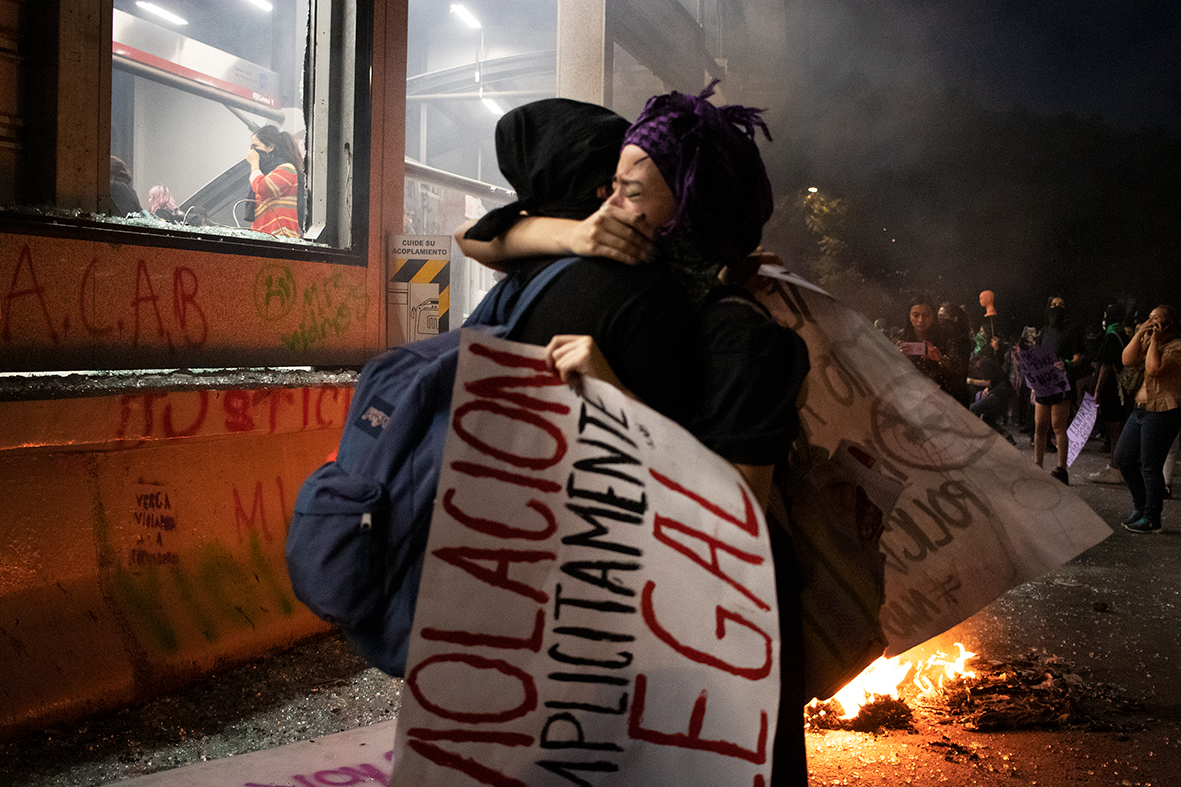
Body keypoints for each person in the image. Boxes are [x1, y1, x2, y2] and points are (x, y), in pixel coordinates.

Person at [460, 83, 809, 785]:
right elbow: (485, 239)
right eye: (607, 188)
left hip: (721, 648)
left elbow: (734, 520)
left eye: (629, 193)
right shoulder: (657, 290)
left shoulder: (740, 335)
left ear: (692, 208)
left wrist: (614, 394)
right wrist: (573, 233)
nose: (606, 209)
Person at [1113, 305, 1181, 533]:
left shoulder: (1176, 347)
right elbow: (1127, 360)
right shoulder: (1148, 339)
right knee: (1123, 458)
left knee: (1151, 467)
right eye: (1149, 318)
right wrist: (1142, 333)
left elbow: (1154, 369)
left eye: (1157, 320)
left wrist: (1154, 341)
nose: (1152, 323)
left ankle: (1152, 518)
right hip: (1140, 409)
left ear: (1169, 324)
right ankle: (1140, 507)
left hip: (1162, 411)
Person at [1033, 295, 1083, 484]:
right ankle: (1037, 466)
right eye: (1053, 305)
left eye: (1061, 305)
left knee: (1058, 427)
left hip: (1061, 383)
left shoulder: (1072, 330)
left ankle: (1062, 469)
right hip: (1043, 383)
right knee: (1039, 426)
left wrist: (1067, 364)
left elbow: (1079, 358)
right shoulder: (1044, 331)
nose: (1056, 308)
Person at [1088, 303, 1130, 484]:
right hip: (1122, 390)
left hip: (1111, 390)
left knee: (1114, 430)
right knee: (1118, 429)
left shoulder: (1110, 337)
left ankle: (1115, 469)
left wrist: (1097, 390)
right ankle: (1116, 466)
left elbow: (1104, 365)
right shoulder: (1124, 335)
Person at [246, 126, 304, 238]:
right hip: (263, 240)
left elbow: (263, 188)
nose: (252, 152)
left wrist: (254, 165)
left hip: (281, 239)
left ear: (270, 147)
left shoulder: (287, 169)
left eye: (255, 146)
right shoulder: (261, 176)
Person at [896, 296, 957, 398]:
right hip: (910, 394)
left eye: (926, 315)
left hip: (940, 395)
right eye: (916, 315)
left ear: (933, 316)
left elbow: (958, 371)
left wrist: (940, 359)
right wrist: (898, 358)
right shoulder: (902, 337)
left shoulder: (944, 337)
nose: (921, 320)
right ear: (909, 316)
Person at [968, 332, 1015, 443]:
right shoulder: (984, 362)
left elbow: (987, 381)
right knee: (987, 420)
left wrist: (970, 381)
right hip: (1001, 392)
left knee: (974, 408)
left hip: (1001, 393)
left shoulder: (982, 363)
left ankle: (975, 436)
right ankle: (1006, 436)